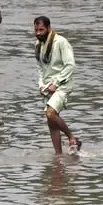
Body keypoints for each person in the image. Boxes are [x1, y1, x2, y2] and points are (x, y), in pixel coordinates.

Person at [34, 16, 81, 154]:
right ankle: (58, 157)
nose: (38, 33)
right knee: (52, 124)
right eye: (36, 30)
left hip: (62, 84)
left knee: (50, 113)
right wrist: (41, 85)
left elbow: (70, 65)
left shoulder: (61, 42)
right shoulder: (38, 45)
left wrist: (56, 83)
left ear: (49, 28)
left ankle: (72, 138)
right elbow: (40, 68)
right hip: (47, 86)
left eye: (41, 29)